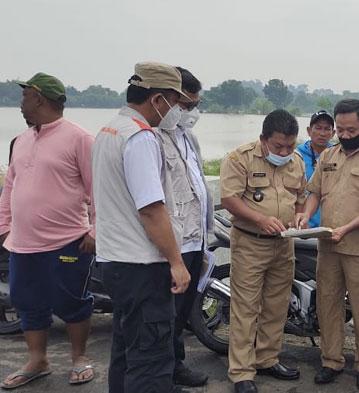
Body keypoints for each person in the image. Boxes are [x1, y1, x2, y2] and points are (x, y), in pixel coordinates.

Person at [92, 61, 192, 393]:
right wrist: (177, 262)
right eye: (176, 103)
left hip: (115, 262)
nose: (177, 111)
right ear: (157, 100)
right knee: (150, 362)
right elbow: (151, 209)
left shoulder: (110, 129)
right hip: (142, 267)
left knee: (125, 350)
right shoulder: (141, 137)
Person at [0, 72, 96, 389]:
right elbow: (10, 187)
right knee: (27, 302)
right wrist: (3, 228)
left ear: (39, 98)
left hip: (67, 241)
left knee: (73, 301)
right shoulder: (22, 140)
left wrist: (96, 230)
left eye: (24, 97)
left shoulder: (80, 138)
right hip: (23, 243)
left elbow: (100, 190)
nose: (20, 104)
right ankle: (37, 360)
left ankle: (79, 358)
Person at [294, 99, 359, 391]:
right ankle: (331, 360)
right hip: (328, 246)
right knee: (328, 305)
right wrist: (304, 214)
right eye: (341, 129)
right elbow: (314, 192)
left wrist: (348, 228)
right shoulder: (328, 156)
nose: (345, 134)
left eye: (351, 129)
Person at [219, 109, 306, 393]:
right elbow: (229, 199)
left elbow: (300, 200)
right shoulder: (239, 158)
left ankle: (267, 357)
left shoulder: (296, 161)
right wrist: (259, 218)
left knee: (277, 305)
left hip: (284, 243)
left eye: (290, 146)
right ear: (263, 139)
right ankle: (242, 372)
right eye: (279, 145)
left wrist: (298, 217)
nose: (285, 151)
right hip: (250, 243)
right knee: (245, 308)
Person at [161, 66, 213, 387]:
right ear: (166, 100)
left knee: (180, 315)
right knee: (162, 315)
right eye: (185, 105)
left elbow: (197, 186)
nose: (190, 113)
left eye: (195, 106)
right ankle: (160, 372)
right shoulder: (150, 137)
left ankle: (175, 365)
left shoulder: (188, 137)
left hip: (196, 241)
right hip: (172, 243)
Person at [295, 110, 335, 228]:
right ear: (309, 130)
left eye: (327, 129)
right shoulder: (296, 155)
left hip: (331, 226)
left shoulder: (338, 155)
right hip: (303, 225)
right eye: (318, 128)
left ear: (333, 133)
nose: (322, 133)